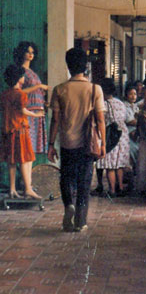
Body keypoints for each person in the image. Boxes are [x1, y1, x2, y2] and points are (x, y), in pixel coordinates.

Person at [48, 48, 106, 233]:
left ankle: (68, 206)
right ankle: (81, 220)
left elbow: (55, 120)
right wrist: (103, 143)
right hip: (87, 144)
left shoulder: (59, 89)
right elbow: (100, 119)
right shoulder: (95, 89)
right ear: (85, 66)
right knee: (85, 179)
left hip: (67, 142)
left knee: (66, 177)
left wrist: (50, 145)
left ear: (68, 66)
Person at [1, 65, 45, 200]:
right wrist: (37, 115)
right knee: (26, 158)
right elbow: (22, 110)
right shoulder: (21, 94)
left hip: (7, 130)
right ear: (19, 78)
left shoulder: (4, 94)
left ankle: (12, 189)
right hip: (20, 130)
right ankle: (28, 189)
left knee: (12, 160)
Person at [95, 79, 130, 198]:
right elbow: (124, 117)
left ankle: (112, 190)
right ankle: (120, 187)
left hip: (110, 135)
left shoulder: (103, 104)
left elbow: (100, 120)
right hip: (122, 134)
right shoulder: (120, 103)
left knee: (110, 165)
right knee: (118, 164)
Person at [14, 41, 50, 154]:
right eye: (27, 52)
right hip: (28, 110)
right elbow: (17, 92)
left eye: (32, 52)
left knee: (33, 147)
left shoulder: (33, 72)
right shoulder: (20, 71)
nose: (30, 54)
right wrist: (38, 86)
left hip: (38, 110)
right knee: (26, 146)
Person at [123, 85, 139, 167]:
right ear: (126, 95)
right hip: (128, 132)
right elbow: (130, 121)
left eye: (135, 94)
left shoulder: (135, 106)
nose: (133, 96)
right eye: (131, 94)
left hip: (135, 131)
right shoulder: (124, 106)